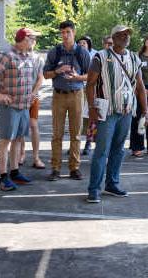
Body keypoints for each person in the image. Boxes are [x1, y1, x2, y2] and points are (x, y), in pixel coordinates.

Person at [85, 25, 148, 203]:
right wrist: (91, 107)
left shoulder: (134, 58)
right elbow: (90, 84)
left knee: (118, 149)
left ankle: (112, 183)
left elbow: (141, 87)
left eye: (127, 34)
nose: (125, 37)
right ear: (113, 37)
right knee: (101, 151)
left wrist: (145, 110)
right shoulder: (100, 57)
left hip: (127, 110)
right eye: (121, 35)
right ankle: (94, 189)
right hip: (107, 112)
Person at [0, 27, 43, 191]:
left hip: (23, 106)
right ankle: (3, 177)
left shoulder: (28, 57)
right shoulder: (7, 56)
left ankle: (15, 172)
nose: (34, 42)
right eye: (32, 38)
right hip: (9, 107)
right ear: (24, 39)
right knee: (5, 141)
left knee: (17, 139)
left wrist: (32, 95)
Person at [43, 20, 92, 181]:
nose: (65, 35)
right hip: (58, 95)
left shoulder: (83, 53)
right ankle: (55, 168)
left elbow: (91, 76)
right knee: (56, 134)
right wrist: (58, 70)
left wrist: (77, 77)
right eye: (62, 33)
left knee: (75, 134)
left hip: (76, 94)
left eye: (68, 32)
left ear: (74, 33)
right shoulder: (54, 52)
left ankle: (74, 167)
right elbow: (45, 74)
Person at [82, 35, 111, 156]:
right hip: (97, 95)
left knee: (106, 126)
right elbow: (91, 79)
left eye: (112, 43)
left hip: (111, 98)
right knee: (90, 121)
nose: (110, 46)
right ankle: (88, 144)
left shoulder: (119, 57)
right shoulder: (98, 56)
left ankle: (105, 149)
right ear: (103, 44)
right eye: (108, 43)